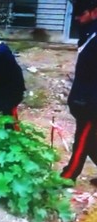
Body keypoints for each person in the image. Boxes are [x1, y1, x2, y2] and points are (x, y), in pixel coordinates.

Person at [61, 0, 97, 187]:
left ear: (94, 11)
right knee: (92, 142)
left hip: (91, 102)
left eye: (80, 13)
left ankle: (69, 175)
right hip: (83, 96)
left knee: (82, 141)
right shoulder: (88, 30)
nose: (76, 18)